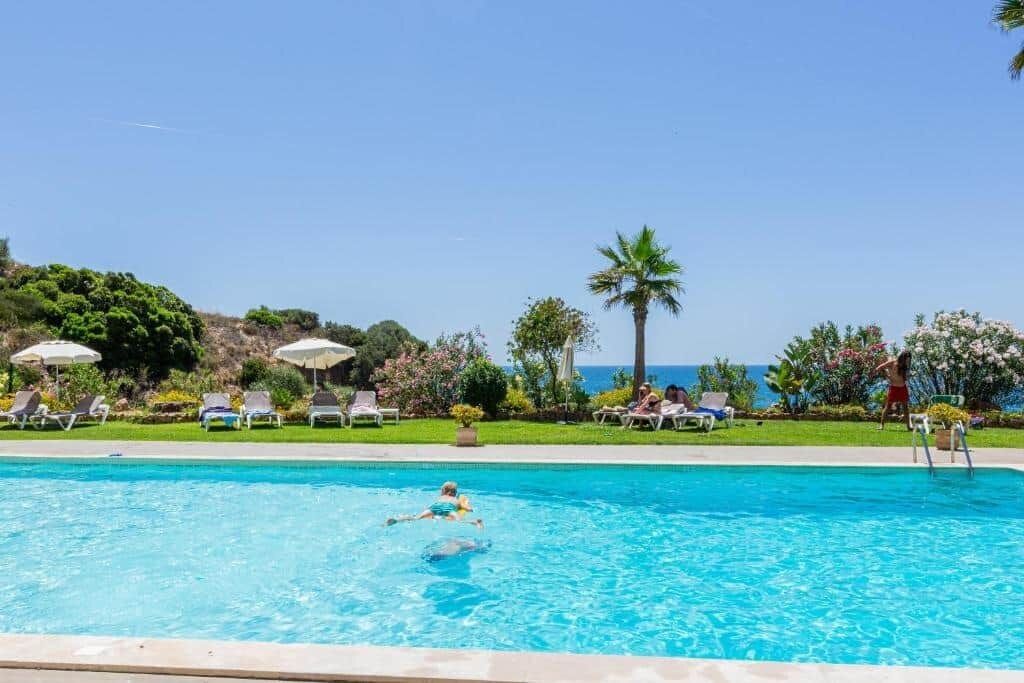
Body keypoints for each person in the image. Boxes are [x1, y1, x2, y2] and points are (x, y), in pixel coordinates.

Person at [385, 481, 483, 528]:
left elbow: (437, 505)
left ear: (443, 491)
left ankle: (396, 520)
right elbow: (467, 508)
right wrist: (469, 508)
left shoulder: (441, 498)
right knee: (460, 521)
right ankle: (475, 522)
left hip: (435, 507)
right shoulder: (455, 500)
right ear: (455, 493)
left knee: (417, 517)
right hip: (449, 508)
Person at [875, 350, 912, 430]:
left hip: (903, 387)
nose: (908, 360)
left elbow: (905, 378)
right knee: (888, 406)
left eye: (909, 359)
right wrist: (887, 376)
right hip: (893, 388)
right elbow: (879, 368)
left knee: (905, 407)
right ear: (902, 357)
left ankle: (909, 426)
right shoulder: (892, 362)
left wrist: (908, 375)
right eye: (906, 358)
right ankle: (881, 425)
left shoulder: (906, 366)